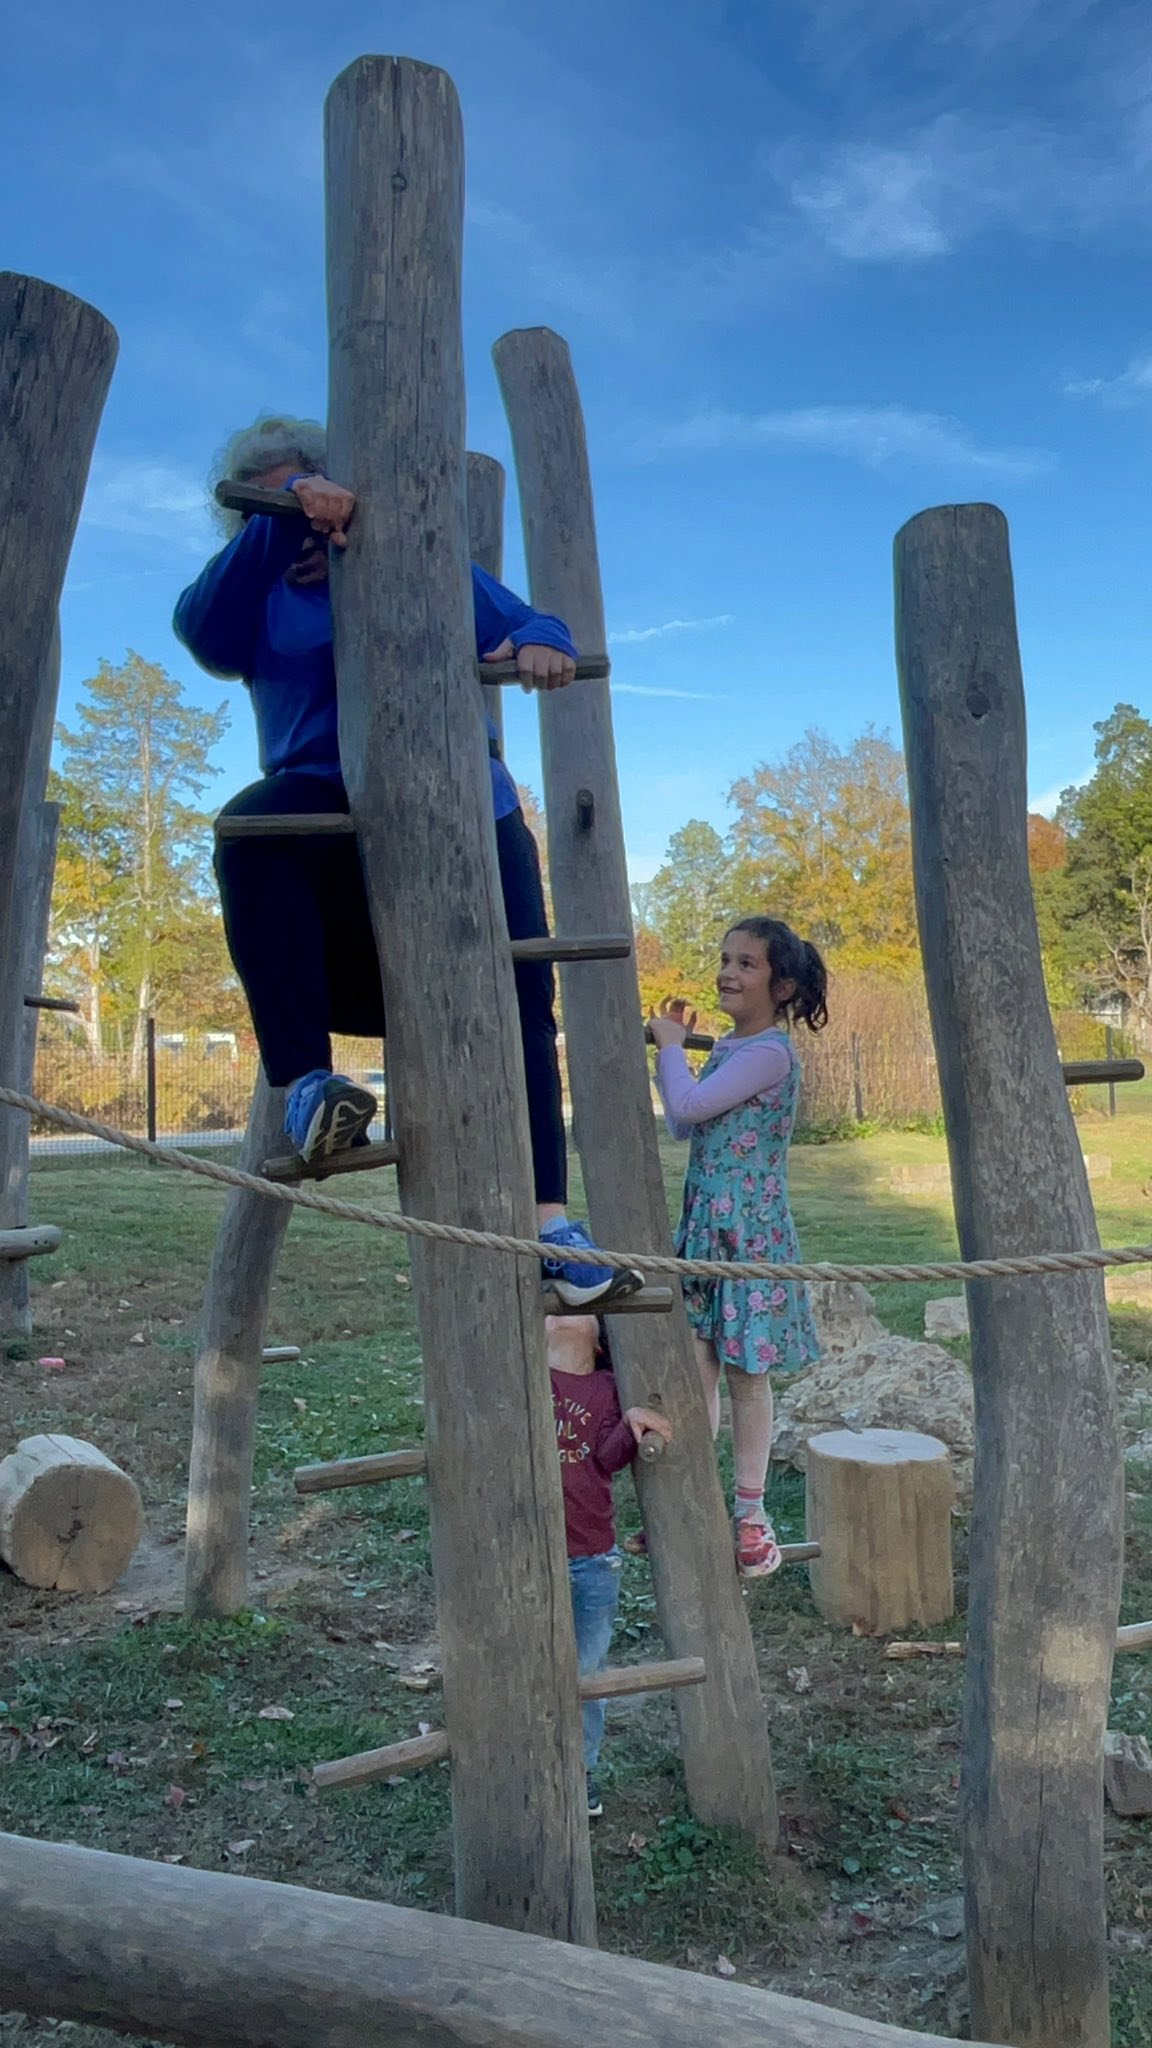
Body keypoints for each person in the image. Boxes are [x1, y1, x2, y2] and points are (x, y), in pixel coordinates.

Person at [174, 415, 640, 1308]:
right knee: (247, 830)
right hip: (329, 815)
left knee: (522, 1007)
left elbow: (530, 619)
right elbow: (199, 628)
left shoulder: (419, 569)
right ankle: (309, 1087)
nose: (304, 520)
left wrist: (541, 641)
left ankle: (551, 1225)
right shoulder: (256, 600)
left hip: (467, 810)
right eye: (274, 505)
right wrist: (284, 521)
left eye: (310, 495)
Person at [648, 917, 827, 1577]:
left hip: (748, 1232)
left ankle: (751, 1517)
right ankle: (691, 1503)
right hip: (706, 1227)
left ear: (780, 986)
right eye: (725, 959)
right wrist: (674, 1053)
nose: (728, 972)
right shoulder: (729, 1046)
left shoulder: (769, 1052)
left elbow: (688, 1106)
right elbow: (679, 1119)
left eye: (746, 964)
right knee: (698, 1368)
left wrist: (669, 1047)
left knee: (750, 1373)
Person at [547, 1311, 672, 1817]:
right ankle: (531, 1760)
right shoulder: (520, 1375)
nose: (559, 1311)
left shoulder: (607, 1386)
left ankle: (581, 1771)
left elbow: (605, 1458)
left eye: (576, 1309)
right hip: (525, 1554)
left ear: (600, 1338)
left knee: (587, 1669)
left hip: (591, 1557)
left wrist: (632, 1423)